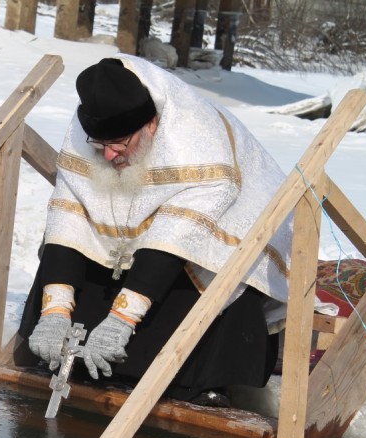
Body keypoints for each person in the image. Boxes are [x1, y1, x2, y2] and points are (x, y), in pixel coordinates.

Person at [14, 55, 293, 408]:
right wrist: (54, 312)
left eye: (119, 144)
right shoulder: (94, 126)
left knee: (199, 284)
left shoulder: (196, 140)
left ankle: (196, 381)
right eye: (101, 146)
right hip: (144, 240)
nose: (111, 155)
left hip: (214, 234)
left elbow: (174, 238)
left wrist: (120, 320)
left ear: (151, 125)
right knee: (71, 257)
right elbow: (69, 215)